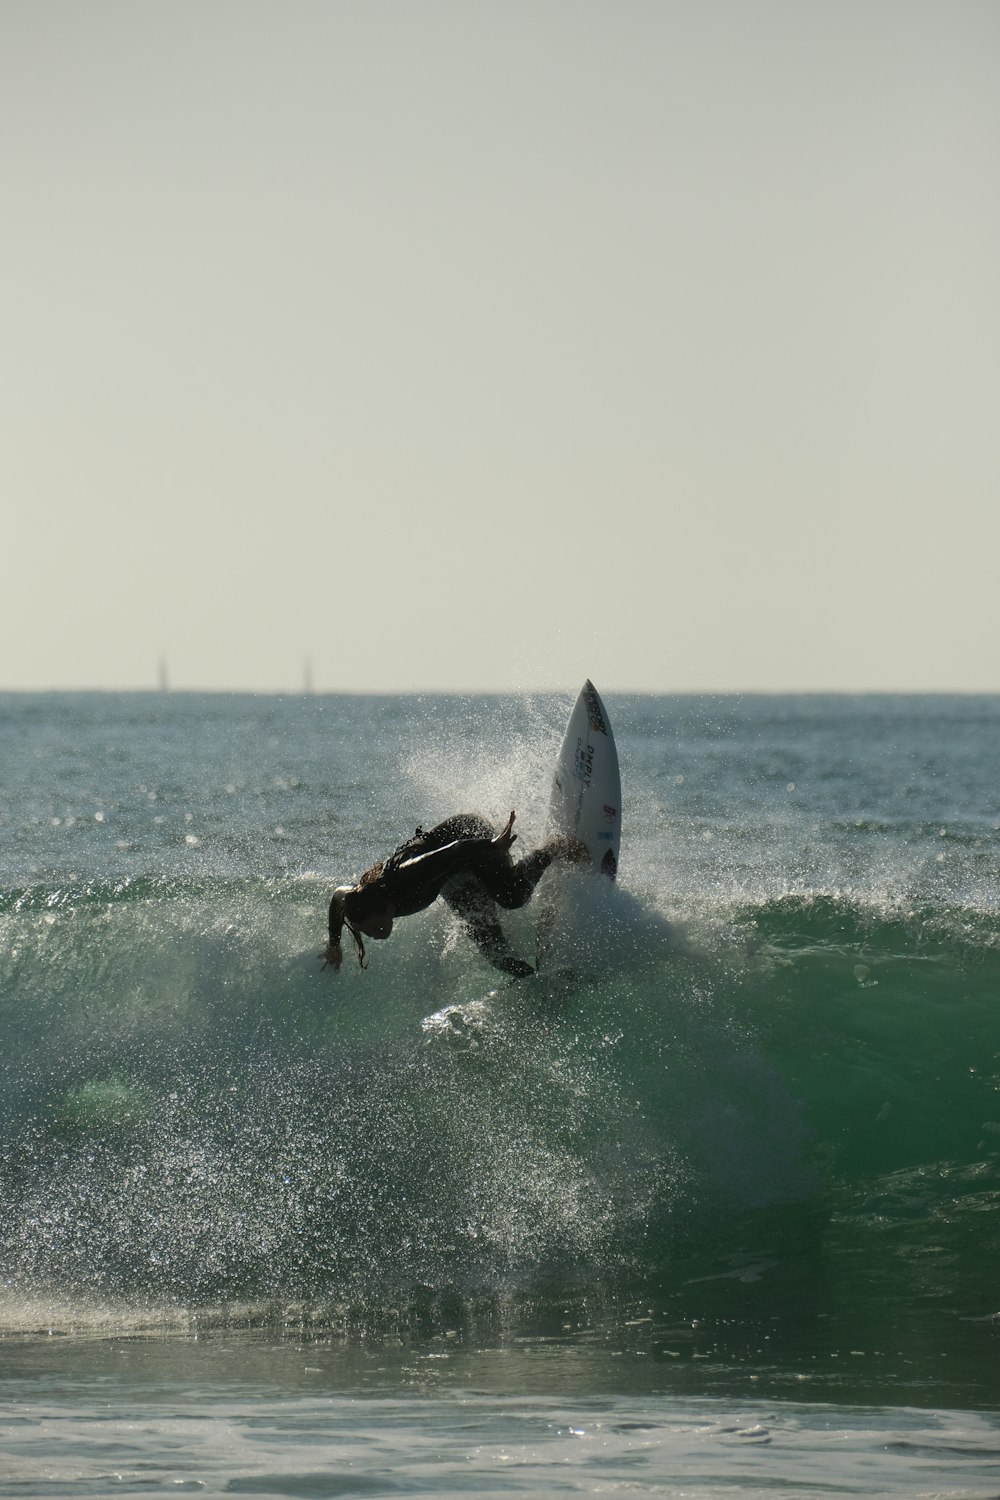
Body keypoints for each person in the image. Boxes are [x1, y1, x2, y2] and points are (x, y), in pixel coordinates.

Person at [323, 811, 586, 978]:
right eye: (367, 932)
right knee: (498, 955)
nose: (373, 936)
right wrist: (334, 943)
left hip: (466, 837)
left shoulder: (408, 875)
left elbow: (455, 851)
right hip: (452, 877)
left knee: (511, 897)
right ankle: (536, 983)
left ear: (383, 908)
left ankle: (553, 847)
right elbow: (337, 897)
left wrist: (493, 845)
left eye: (372, 927)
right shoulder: (362, 897)